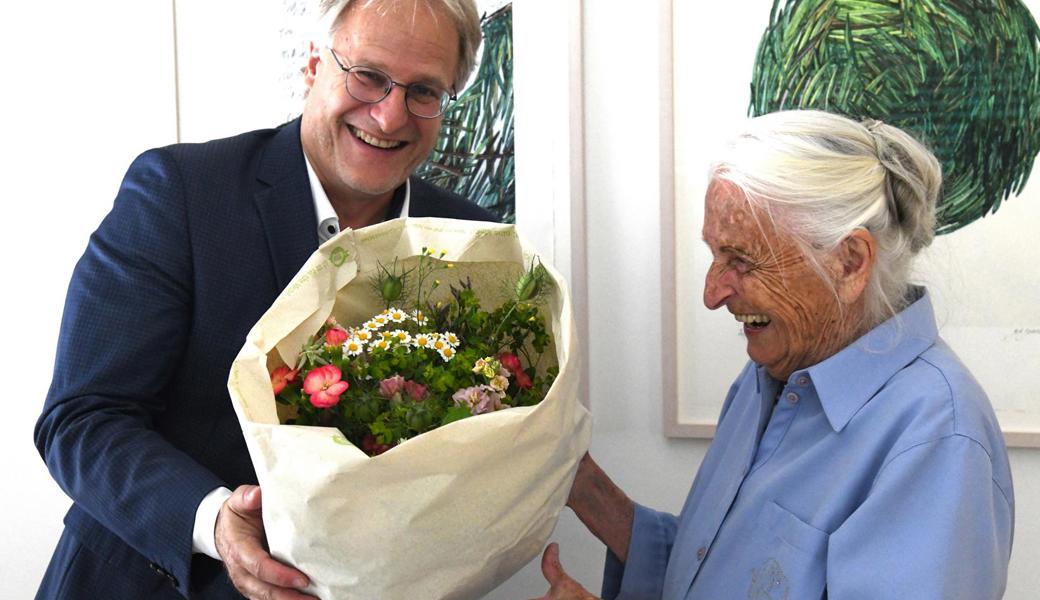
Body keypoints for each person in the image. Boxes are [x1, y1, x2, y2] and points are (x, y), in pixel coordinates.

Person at [34, 0, 494, 598]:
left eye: (424, 91)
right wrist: (213, 520)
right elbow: (82, 419)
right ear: (312, 65)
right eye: (369, 76)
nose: (388, 117)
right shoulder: (180, 194)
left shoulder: (473, 244)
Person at [535, 110, 1014, 599]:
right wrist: (585, 486)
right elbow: (722, 575)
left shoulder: (938, 440)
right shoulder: (770, 373)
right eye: (715, 254)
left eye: (742, 260)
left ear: (849, 263)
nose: (712, 293)